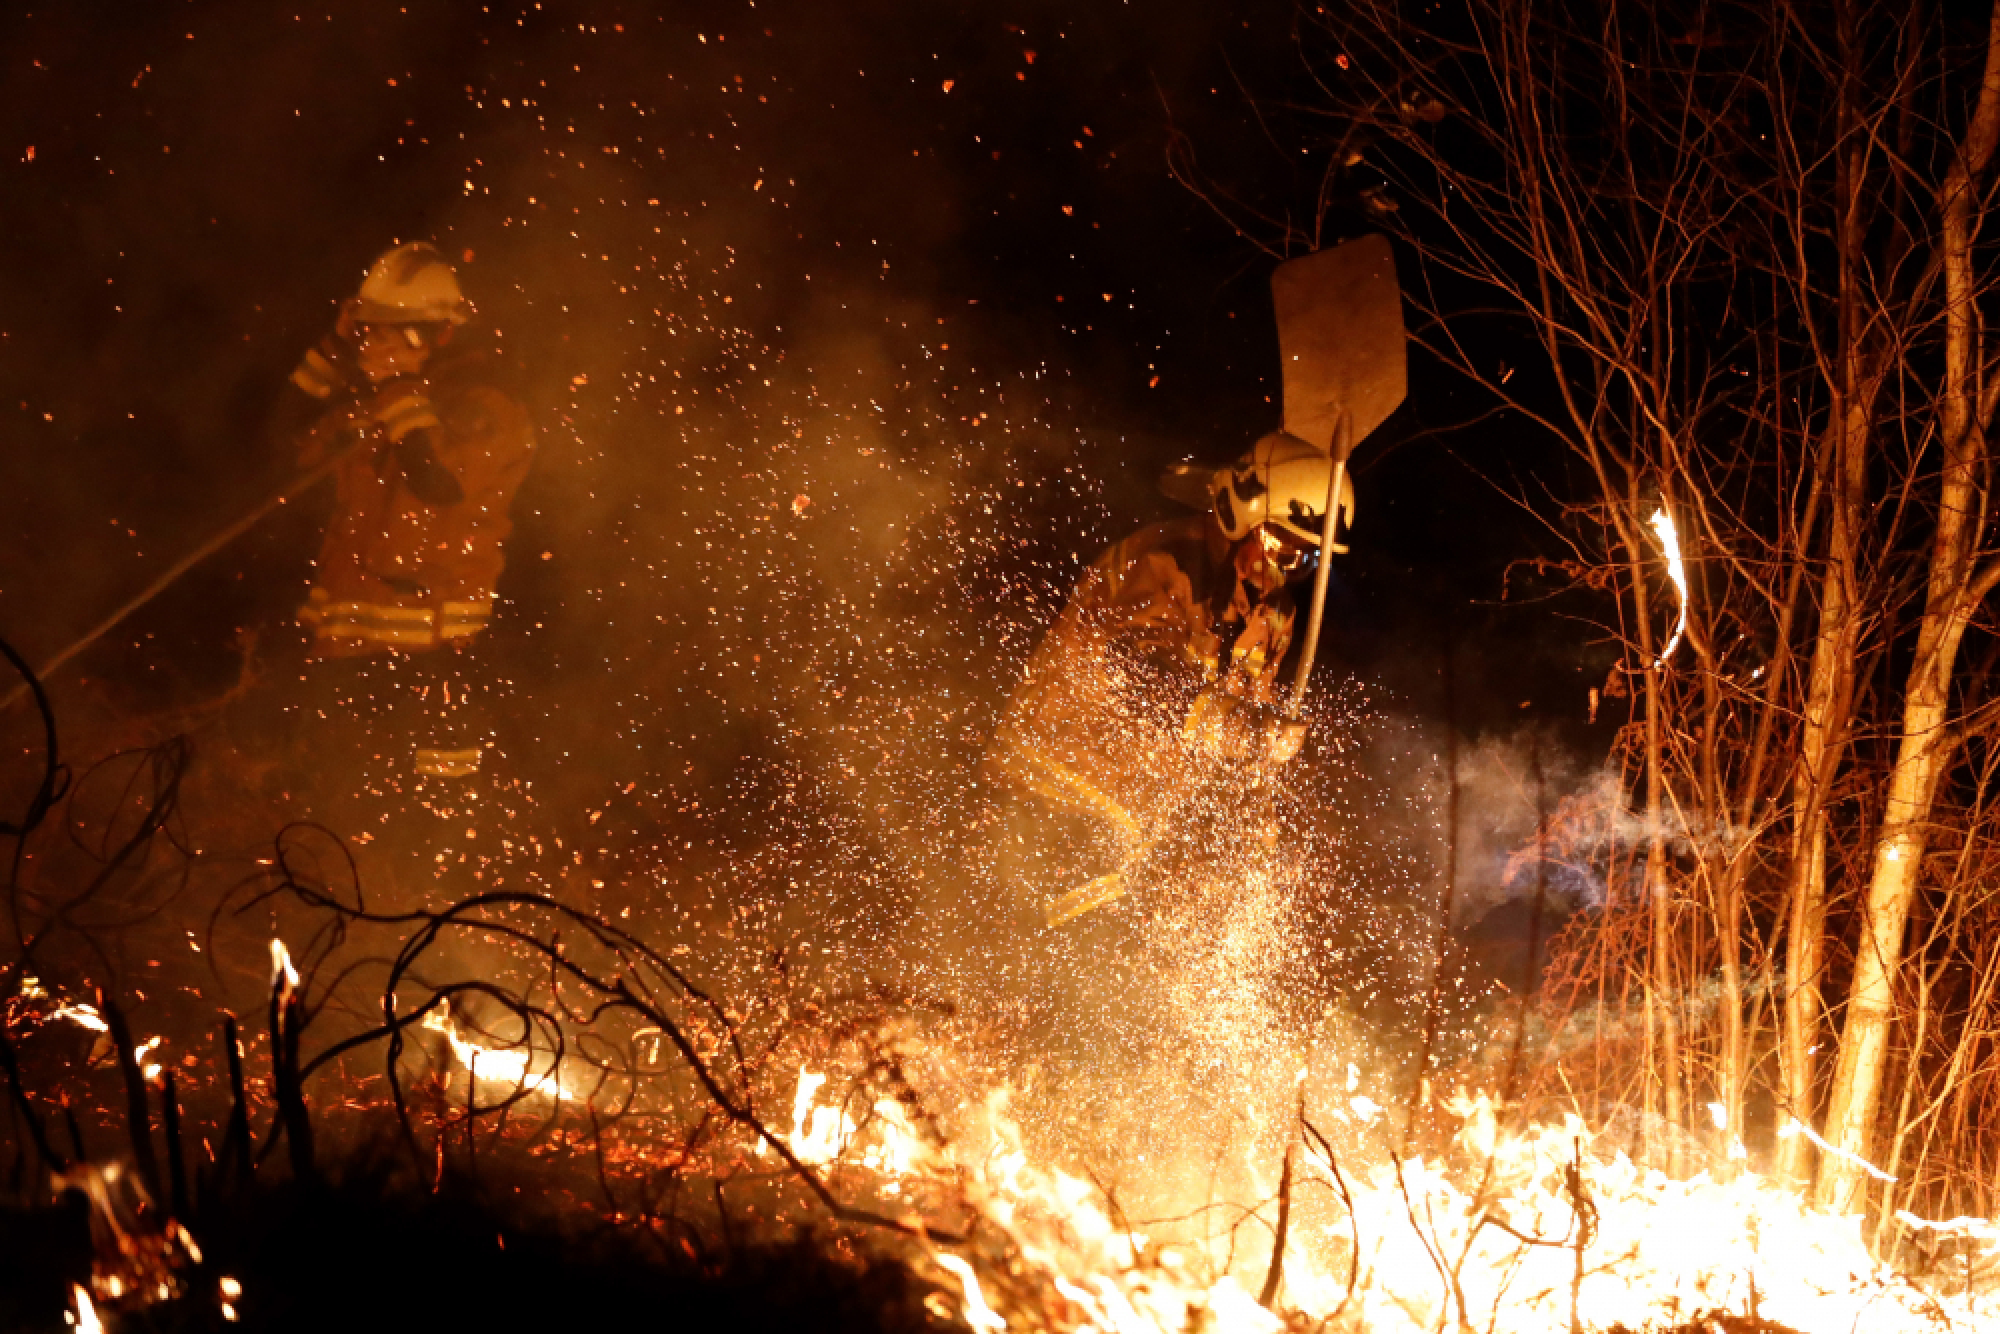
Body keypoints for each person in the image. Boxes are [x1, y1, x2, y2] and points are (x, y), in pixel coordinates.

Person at [983, 431, 1353, 923]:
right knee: (1053, 962)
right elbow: (1135, 675)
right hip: (1053, 792)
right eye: (1278, 547)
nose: (1281, 572)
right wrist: (1239, 726)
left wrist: (1259, 848)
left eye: (1302, 562)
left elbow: (1241, 748)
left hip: (1133, 819)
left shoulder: (1272, 617)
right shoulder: (1163, 561)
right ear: (1238, 514)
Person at [275, 242, 534, 779]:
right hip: (348, 647)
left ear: (443, 332)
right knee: (332, 805)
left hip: (437, 657)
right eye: (375, 328)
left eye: (401, 329)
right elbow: (286, 443)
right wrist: (335, 350)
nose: (385, 342)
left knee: (430, 821)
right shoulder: (387, 401)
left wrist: (396, 384)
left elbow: (437, 481)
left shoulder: (486, 407)